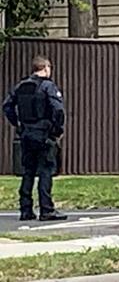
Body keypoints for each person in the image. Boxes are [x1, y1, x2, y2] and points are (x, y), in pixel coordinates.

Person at [2, 56, 67, 221]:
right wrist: (56, 130)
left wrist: (17, 124)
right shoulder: (47, 86)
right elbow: (58, 110)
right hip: (44, 133)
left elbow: (7, 106)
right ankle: (46, 209)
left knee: (28, 171)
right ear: (46, 68)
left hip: (26, 133)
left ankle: (26, 209)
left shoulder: (21, 86)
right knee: (46, 169)